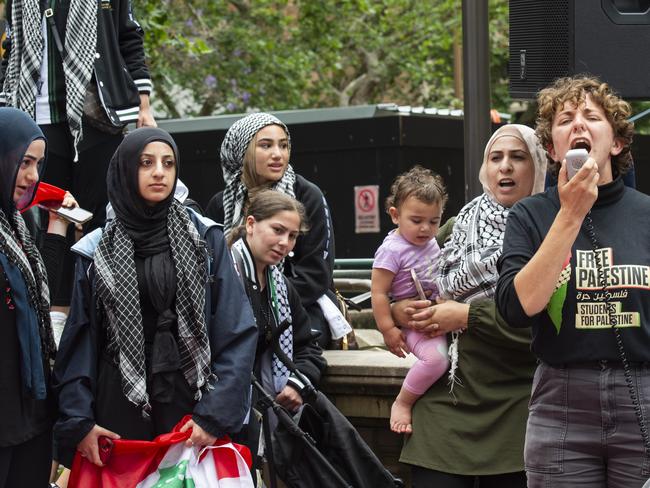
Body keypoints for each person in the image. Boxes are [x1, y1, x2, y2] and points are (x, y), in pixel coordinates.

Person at [53, 128, 257, 469]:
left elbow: (235, 328)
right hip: (118, 408)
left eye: (168, 163)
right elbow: (80, 341)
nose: (159, 172)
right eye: (146, 163)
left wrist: (214, 415)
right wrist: (80, 422)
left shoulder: (205, 238)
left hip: (192, 406)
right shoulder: (96, 249)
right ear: (125, 170)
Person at [496, 75, 650, 487]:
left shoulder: (646, 214)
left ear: (616, 143)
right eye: (565, 119)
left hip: (643, 392)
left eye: (591, 116)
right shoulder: (530, 215)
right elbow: (515, 307)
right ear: (552, 148)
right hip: (561, 401)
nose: (578, 124)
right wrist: (569, 215)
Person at [392, 124, 547, 488]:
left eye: (518, 157)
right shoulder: (456, 227)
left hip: (518, 402)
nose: (504, 167)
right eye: (496, 158)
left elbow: (551, 327)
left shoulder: (553, 230)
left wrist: (467, 316)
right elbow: (400, 279)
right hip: (448, 398)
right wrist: (401, 311)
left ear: (539, 166)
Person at [206, 112, 337, 348]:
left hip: (300, 309)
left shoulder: (307, 195)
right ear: (241, 151)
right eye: (265, 146)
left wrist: (265, 302)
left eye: (284, 145)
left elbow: (316, 274)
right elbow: (212, 269)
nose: (278, 154)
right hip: (234, 311)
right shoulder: (221, 203)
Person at [0, 107, 77, 487]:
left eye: (39, 164)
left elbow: (37, 295)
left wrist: (57, 226)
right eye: (24, 162)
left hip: (31, 409)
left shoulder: (16, 223)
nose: (32, 176)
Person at [229, 190, 326, 476]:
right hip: (225, 413)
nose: (285, 243)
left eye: (293, 236)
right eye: (277, 230)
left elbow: (308, 347)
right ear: (250, 224)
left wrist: (297, 383)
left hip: (260, 413)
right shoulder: (222, 274)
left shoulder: (281, 286)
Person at [371, 165, 449, 434]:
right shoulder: (391, 250)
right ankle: (403, 402)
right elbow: (378, 292)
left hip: (439, 312)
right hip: (415, 325)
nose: (426, 229)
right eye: (416, 221)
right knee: (437, 360)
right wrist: (389, 330)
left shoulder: (432, 241)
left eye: (434, 221)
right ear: (395, 215)